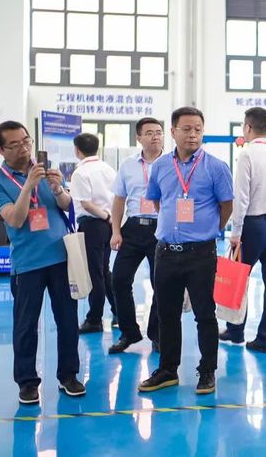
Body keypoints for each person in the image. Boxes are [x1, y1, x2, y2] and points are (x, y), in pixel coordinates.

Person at [0, 121, 85, 404]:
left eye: (26, 141)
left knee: (68, 321)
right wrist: (29, 184)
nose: (24, 148)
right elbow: (15, 219)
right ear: (0, 149)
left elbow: (66, 205)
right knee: (26, 326)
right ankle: (27, 382)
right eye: (15, 144)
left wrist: (57, 189)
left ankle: (68, 375)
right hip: (27, 264)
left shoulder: (45, 170)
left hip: (61, 258)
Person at [138, 107, 233, 395]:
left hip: (200, 254)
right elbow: (158, 202)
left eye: (198, 130)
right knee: (166, 314)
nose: (193, 135)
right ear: (173, 132)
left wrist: (207, 230)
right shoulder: (161, 167)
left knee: (205, 314)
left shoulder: (216, 167)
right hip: (166, 252)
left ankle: (207, 371)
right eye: (187, 129)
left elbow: (226, 206)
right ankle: (168, 370)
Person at [218, 107, 266, 352]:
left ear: (248, 127)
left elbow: (241, 198)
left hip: (253, 226)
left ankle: (236, 330)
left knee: (240, 278)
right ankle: (265, 339)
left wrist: (235, 233)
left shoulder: (247, 154)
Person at [107, 117, 165, 354]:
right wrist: (116, 231)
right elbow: (119, 200)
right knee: (119, 279)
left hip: (161, 228)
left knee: (160, 283)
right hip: (132, 228)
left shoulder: (172, 163)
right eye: (149, 133)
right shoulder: (128, 165)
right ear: (138, 137)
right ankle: (129, 332)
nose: (155, 136)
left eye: (159, 132)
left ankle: (157, 334)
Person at [69, 133, 117, 333]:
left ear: (77, 150)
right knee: (103, 270)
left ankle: (94, 319)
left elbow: (86, 204)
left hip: (93, 225)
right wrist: (110, 218)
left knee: (95, 273)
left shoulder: (80, 173)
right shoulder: (108, 169)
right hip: (108, 225)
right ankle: (118, 311)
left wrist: (105, 217)